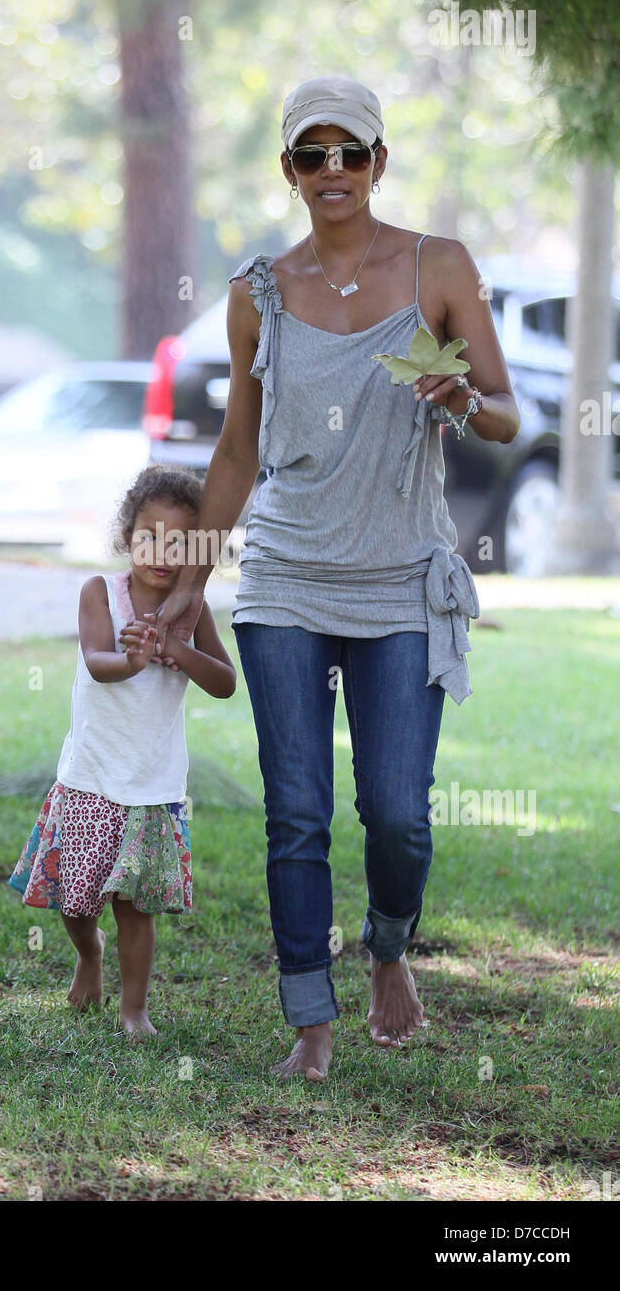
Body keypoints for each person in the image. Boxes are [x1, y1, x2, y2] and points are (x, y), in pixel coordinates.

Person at [153, 74, 520, 1079]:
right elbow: (234, 452)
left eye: (348, 153)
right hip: (283, 575)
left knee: (397, 808)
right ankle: (308, 1021)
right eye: (310, 156)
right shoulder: (255, 294)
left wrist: (458, 395)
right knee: (297, 806)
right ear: (287, 171)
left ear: (377, 162)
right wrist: (191, 576)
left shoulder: (435, 267)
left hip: (400, 575)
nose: (331, 172)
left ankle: (390, 944)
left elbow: (504, 412)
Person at [8, 465, 236, 1036]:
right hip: (90, 777)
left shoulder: (193, 609)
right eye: (149, 537)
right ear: (127, 536)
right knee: (77, 903)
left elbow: (225, 682)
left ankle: (135, 1010)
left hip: (152, 785)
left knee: (135, 907)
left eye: (180, 542)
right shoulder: (100, 593)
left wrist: (178, 651)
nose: (162, 552)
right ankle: (89, 954)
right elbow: (95, 660)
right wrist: (133, 659)